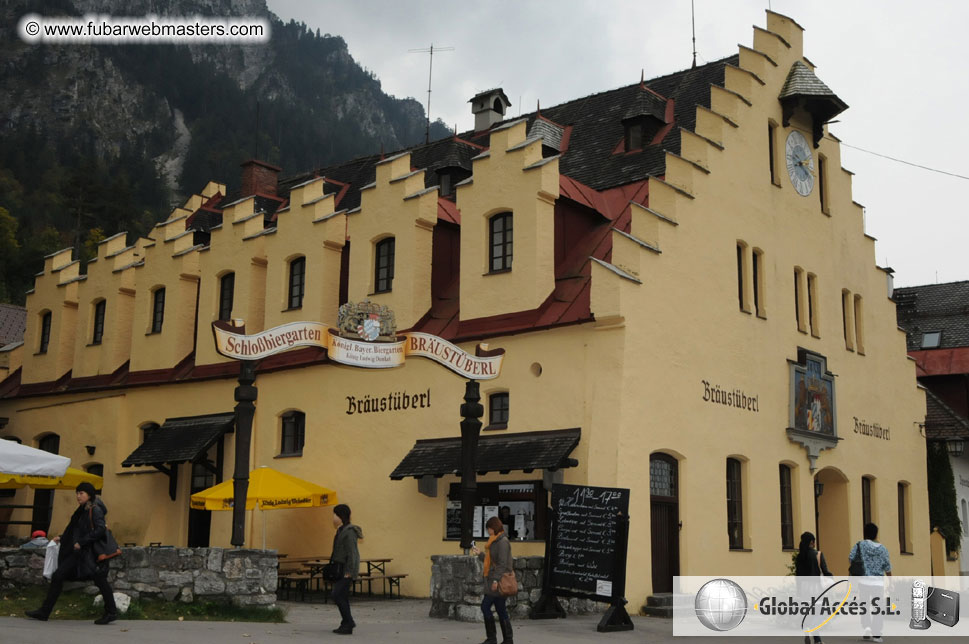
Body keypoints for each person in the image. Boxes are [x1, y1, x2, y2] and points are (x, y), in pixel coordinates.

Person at [25, 482, 118, 625]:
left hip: (88, 552)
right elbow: (77, 529)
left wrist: (81, 542)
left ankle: (111, 612)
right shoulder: (83, 509)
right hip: (81, 552)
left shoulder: (95, 509)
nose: (78, 496)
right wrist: (63, 537)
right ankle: (44, 611)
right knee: (60, 576)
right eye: (77, 493)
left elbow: (99, 529)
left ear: (89, 495)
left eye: (81, 493)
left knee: (98, 579)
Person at [472, 516, 514, 644]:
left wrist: (495, 580)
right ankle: (507, 640)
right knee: (500, 609)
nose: (488, 531)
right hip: (494, 579)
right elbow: (492, 561)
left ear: (493, 528)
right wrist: (480, 553)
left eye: (489, 528)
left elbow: (502, 564)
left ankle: (493, 639)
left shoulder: (502, 542)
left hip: (498, 581)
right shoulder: (494, 541)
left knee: (485, 607)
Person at [849, 522, 892, 643]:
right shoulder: (883, 549)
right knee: (878, 607)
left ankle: (867, 627)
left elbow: (851, 558)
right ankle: (877, 634)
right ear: (876, 534)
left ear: (865, 533)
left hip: (863, 581)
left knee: (865, 605)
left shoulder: (859, 545)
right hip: (877, 583)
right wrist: (891, 581)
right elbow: (887, 567)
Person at [329, 503, 362, 635]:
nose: (333, 517)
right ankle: (346, 623)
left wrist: (349, 572)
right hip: (339, 569)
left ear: (341, 516)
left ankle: (349, 622)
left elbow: (352, 553)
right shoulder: (340, 530)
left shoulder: (349, 532)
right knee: (341, 596)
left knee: (336, 595)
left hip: (346, 570)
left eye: (335, 514)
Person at [794, 531, 831, 644]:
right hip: (816, 588)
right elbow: (825, 572)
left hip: (804, 587)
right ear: (812, 542)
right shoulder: (818, 555)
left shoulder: (800, 557)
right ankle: (814, 633)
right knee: (821, 613)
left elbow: (798, 575)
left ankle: (815, 638)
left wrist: (799, 589)